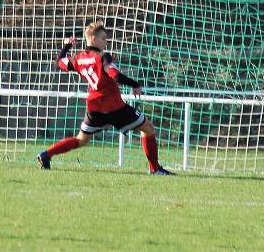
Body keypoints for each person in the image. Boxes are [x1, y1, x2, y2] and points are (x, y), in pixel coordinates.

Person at [37, 22, 172, 175]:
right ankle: (155, 169)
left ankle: (46, 154)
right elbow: (116, 76)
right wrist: (135, 84)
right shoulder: (102, 57)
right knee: (148, 128)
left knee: (81, 140)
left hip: (94, 108)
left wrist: (67, 46)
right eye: (103, 38)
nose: (106, 42)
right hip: (114, 107)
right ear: (93, 38)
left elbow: (59, 62)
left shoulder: (78, 58)